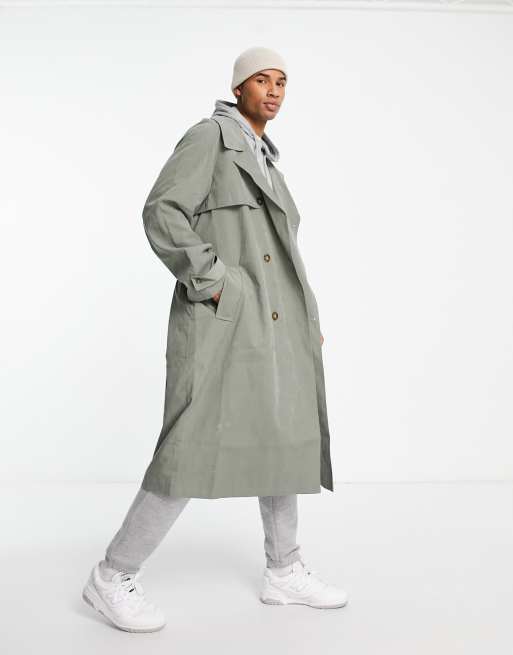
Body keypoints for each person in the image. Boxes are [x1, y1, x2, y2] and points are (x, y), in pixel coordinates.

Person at [82, 46, 348, 633]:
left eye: (282, 81)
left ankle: (284, 569)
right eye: (262, 79)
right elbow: (162, 211)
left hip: (276, 323)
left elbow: (282, 255)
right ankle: (112, 575)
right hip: (223, 320)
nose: (274, 90)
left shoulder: (268, 160)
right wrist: (216, 283)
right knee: (191, 443)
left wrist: (305, 318)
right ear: (238, 87)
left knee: (283, 436)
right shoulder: (210, 138)